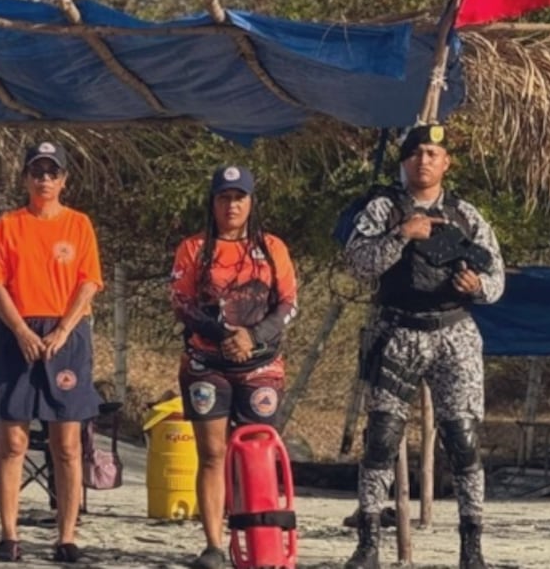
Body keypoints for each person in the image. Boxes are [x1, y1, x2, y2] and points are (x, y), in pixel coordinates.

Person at [340, 123, 504, 569]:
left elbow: (497, 279)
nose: (424, 160)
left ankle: (472, 546)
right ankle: (369, 542)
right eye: (415, 153)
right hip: (398, 332)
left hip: (454, 333)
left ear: (446, 162)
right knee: (382, 438)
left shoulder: (467, 215)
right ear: (404, 161)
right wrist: (401, 235)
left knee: (463, 439)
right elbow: (356, 261)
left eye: (433, 152)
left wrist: (477, 285)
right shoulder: (383, 209)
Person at [0, 141, 103, 564]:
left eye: (52, 172)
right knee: (12, 439)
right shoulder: (9, 225)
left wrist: (65, 329)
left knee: (66, 442)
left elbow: (88, 282)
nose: (44, 179)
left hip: (66, 335)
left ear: (64, 179)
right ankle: (9, 535)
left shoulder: (79, 224)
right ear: (26, 177)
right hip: (18, 332)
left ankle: (66, 536)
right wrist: (20, 330)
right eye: (37, 171)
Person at [170, 165, 300, 569]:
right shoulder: (193, 248)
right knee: (212, 452)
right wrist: (225, 333)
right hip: (206, 361)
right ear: (213, 203)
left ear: (251, 202)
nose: (232, 205)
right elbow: (182, 303)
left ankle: (257, 537)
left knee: (255, 452)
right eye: (224, 197)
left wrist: (254, 336)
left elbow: (288, 303)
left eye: (239, 197)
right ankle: (213, 543)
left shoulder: (272, 247)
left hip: (260, 363)